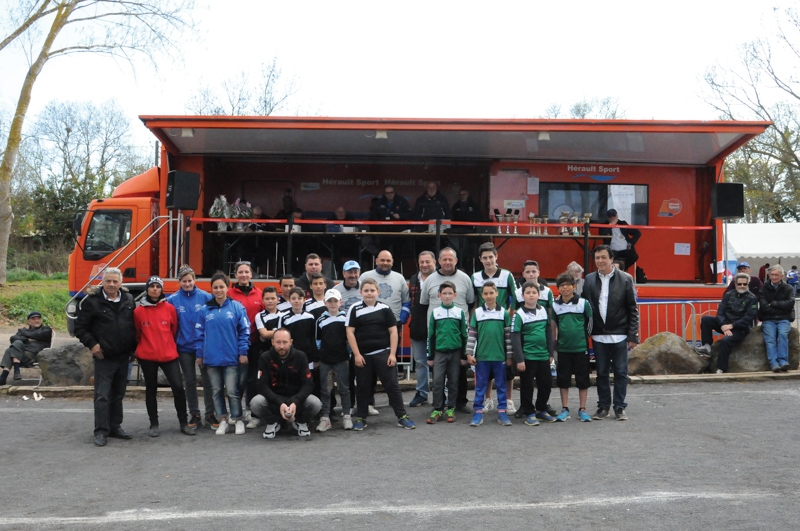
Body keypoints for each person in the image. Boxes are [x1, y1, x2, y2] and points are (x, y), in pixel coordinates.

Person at [74, 267, 137, 447]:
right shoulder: (92, 302)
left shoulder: (129, 299)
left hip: (124, 356)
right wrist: (92, 344)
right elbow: (80, 328)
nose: (111, 284)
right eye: (108, 281)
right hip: (104, 357)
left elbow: (132, 325)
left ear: (120, 283)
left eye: (115, 281)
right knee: (102, 396)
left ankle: (115, 427)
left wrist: (133, 348)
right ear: (102, 281)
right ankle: (101, 431)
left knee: (118, 395)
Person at [346, 278, 416, 431]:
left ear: (378, 292)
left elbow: (393, 332)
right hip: (363, 356)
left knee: (392, 386)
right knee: (363, 387)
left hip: (383, 353)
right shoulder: (354, 309)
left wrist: (392, 354)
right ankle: (361, 417)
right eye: (366, 290)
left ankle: (402, 416)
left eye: (372, 290)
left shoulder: (385, 309)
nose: (369, 293)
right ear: (361, 292)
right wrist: (357, 355)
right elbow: (350, 332)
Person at [582, 245, 639, 421]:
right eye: (597, 257)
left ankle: (620, 407)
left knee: (621, 372)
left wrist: (632, 335)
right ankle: (603, 406)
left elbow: (632, 309)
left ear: (611, 259)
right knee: (601, 373)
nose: (600, 260)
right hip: (598, 334)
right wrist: (585, 333)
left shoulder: (626, 279)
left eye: (603, 257)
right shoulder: (589, 279)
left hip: (620, 334)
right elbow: (585, 307)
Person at [134, 276, 195, 437]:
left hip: (168, 354)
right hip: (147, 356)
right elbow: (137, 333)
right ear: (147, 289)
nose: (155, 289)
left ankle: (183, 422)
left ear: (162, 289)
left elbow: (174, 330)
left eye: (158, 286)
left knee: (178, 388)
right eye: (152, 286)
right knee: (151, 389)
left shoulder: (169, 308)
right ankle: (154, 423)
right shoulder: (139, 311)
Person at [420, 247, 476, 414]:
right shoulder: (430, 280)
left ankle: (459, 403)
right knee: (438, 377)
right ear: (438, 261)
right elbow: (423, 305)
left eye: (450, 259)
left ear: (456, 261)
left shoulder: (465, 279)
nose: (447, 262)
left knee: (459, 375)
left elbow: (471, 302)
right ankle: (439, 405)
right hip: (439, 337)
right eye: (444, 259)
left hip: (458, 335)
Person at [194, 271, 251, 436]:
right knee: (216, 391)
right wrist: (200, 354)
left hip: (231, 357)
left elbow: (244, 331)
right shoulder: (205, 310)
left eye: (221, 287)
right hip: (211, 359)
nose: (218, 290)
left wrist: (243, 352)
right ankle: (223, 420)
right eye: (215, 287)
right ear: (211, 289)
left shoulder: (237, 307)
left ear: (227, 288)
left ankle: (238, 419)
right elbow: (198, 335)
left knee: (233, 391)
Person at [167, 265, 216, 430]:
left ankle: (210, 413)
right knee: (189, 381)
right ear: (179, 282)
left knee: (208, 381)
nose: (187, 284)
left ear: (195, 280)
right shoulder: (172, 300)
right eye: (184, 281)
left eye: (190, 280)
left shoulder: (206, 297)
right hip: (184, 347)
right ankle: (194, 413)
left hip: (203, 346)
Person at [251, 328, 322, 439]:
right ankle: (274, 422)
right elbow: (261, 384)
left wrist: (295, 402)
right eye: (278, 342)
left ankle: (300, 422)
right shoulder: (264, 357)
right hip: (274, 399)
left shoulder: (301, 356)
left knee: (315, 403)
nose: (282, 346)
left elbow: (308, 384)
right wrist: (279, 403)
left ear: (291, 342)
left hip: (296, 399)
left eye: (285, 342)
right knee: (256, 402)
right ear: (272, 342)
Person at [472, 242, 517, 413]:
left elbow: (516, 298)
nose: (488, 260)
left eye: (491, 257)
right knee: (486, 363)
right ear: (480, 259)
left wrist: (508, 314)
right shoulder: (475, 277)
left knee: (506, 364)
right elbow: (474, 302)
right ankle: (488, 400)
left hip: (503, 324)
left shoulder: (507, 275)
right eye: (485, 258)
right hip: (484, 325)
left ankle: (509, 400)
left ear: (496, 257)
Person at [466, 281, 512, 427]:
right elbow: (472, 334)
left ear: (497, 293)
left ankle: (502, 412)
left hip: (500, 357)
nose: (489, 296)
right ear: (482, 295)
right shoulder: (478, 313)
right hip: (483, 357)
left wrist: (509, 356)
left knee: (501, 385)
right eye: (485, 293)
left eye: (491, 293)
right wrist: (469, 353)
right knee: (480, 385)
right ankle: (478, 413)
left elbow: (508, 337)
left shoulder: (504, 312)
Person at [511, 281, 556, 426]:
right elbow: (515, 337)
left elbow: (548, 332)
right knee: (527, 386)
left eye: (534, 292)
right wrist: (519, 359)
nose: (531, 295)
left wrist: (551, 353)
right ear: (523, 295)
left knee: (546, 383)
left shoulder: (543, 310)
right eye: (528, 293)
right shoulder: (518, 314)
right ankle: (529, 412)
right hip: (527, 357)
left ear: (538, 295)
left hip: (543, 356)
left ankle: (541, 409)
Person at [551, 272, 593, 422]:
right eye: (562, 286)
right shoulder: (555, 305)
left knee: (583, 380)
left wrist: (584, 339)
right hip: (563, 349)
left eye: (568, 285)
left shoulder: (583, 303)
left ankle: (582, 409)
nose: (565, 288)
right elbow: (554, 324)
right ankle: (565, 408)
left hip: (581, 348)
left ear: (574, 287)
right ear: (558, 289)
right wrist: (555, 343)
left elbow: (590, 322)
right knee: (563, 380)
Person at [698, 272, 758, 374]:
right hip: (725, 325)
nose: (742, 286)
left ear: (748, 284)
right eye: (739, 284)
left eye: (744, 284)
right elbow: (720, 312)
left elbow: (749, 317)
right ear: (735, 284)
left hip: (741, 329)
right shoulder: (728, 295)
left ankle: (721, 368)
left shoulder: (752, 298)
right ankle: (707, 347)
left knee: (726, 341)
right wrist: (723, 325)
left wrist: (731, 326)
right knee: (706, 319)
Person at [426, 281, 468, 424]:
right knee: (437, 381)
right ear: (440, 295)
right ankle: (438, 408)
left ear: (455, 295)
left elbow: (464, 335)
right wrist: (430, 356)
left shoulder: (459, 312)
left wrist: (463, 355)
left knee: (453, 381)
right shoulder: (435, 313)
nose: (447, 296)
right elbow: (431, 335)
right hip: (439, 352)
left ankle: (451, 407)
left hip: (456, 353)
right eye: (444, 293)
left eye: (450, 293)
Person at [228, 261, 264, 415]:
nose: (243, 275)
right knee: (237, 380)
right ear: (235, 275)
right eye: (240, 272)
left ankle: (250, 409)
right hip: (235, 344)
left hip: (255, 343)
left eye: (246, 272)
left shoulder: (259, 293)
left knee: (252, 379)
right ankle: (235, 411)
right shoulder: (229, 294)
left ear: (251, 274)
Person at [315, 289, 353, 432]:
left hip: (342, 359)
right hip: (325, 361)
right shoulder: (320, 320)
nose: (332, 304)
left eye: (335, 301)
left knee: (344, 389)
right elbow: (317, 340)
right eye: (329, 301)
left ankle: (347, 416)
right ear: (325, 302)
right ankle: (325, 418)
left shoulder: (345, 318)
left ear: (340, 302)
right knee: (325, 390)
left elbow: (349, 339)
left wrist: (347, 353)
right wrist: (322, 354)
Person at [408, 251, 436, 409]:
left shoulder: (439, 279)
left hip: (437, 329)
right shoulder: (413, 279)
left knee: (439, 364)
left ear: (434, 262)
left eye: (428, 262)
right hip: (417, 327)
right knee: (420, 363)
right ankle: (422, 393)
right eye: (422, 262)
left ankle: (442, 394)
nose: (425, 265)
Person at [758, 265, 795, 372]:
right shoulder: (764, 288)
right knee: (770, 339)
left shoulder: (789, 288)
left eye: (776, 275)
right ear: (769, 275)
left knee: (783, 335)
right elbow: (764, 307)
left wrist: (773, 304)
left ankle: (783, 361)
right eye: (772, 275)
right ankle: (773, 363)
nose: (774, 277)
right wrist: (781, 307)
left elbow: (790, 304)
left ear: (782, 276)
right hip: (768, 319)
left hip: (784, 318)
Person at [0, 311, 52, 385]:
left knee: (11, 350)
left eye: (38, 318)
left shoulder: (46, 329)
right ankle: (15, 373)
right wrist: (27, 339)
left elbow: (40, 334)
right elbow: (13, 338)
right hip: (20, 355)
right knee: (16, 344)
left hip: (35, 356)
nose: (37, 320)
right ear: (29, 321)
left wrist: (24, 335)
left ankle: (5, 376)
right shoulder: (24, 330)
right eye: (33, 319)